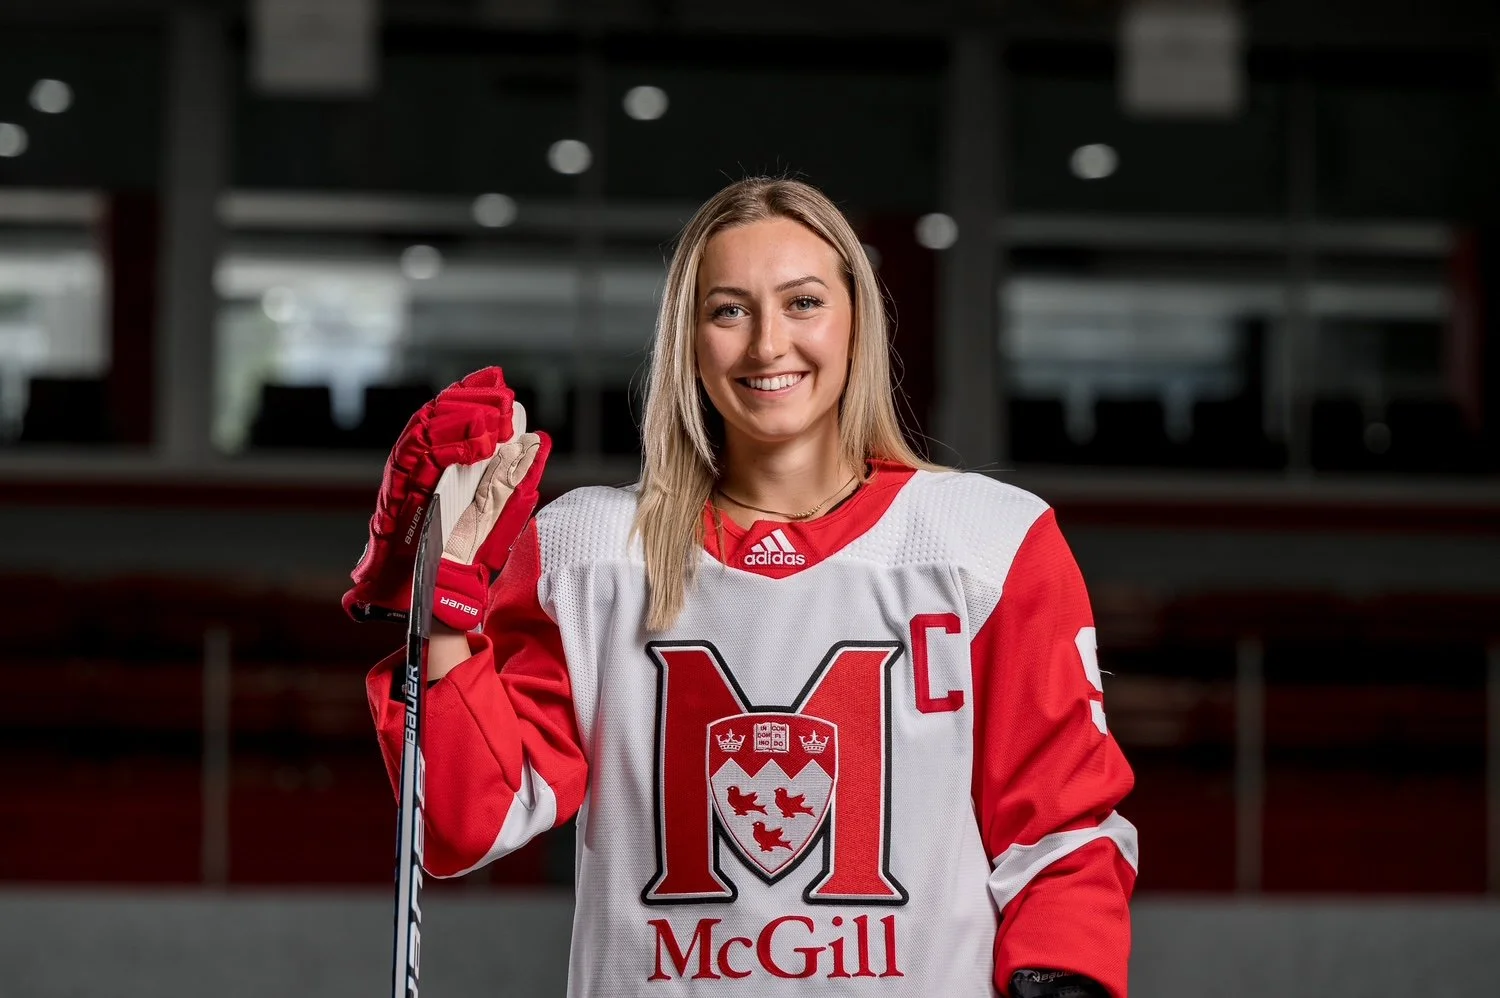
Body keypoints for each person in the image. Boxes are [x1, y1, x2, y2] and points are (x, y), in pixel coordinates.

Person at [344, 177, 1138, 997]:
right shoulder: (583, 551)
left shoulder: (988, 540)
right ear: (686, 340)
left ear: (857, 320)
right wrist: (439, 608)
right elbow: (466, 825)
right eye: (728, 310)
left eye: (803, 303)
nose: (767, 345)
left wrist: (1065, 973)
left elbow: (1061, 823)